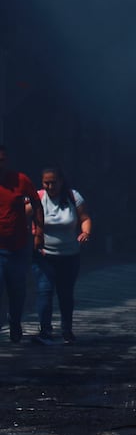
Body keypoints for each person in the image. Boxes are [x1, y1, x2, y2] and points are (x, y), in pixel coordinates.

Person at [33, 166, 91, 344]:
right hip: (45, 255)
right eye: (46, 183)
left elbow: (85, 218)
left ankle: (67, 330)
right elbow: (22, 216)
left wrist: (85, 232)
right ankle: (45, 331)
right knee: (44, 291)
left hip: (69, 255)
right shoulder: (38, 198)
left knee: (65, 294)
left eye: (54, 182)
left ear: (61, 181)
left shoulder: (73, 196)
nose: (50, 187)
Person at [0, 146, 44, 343]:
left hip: (18, 246)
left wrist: (39, 232)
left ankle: (15, 321)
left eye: (1, 159)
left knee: (17, 289)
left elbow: (37, 205)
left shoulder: (21, 180)